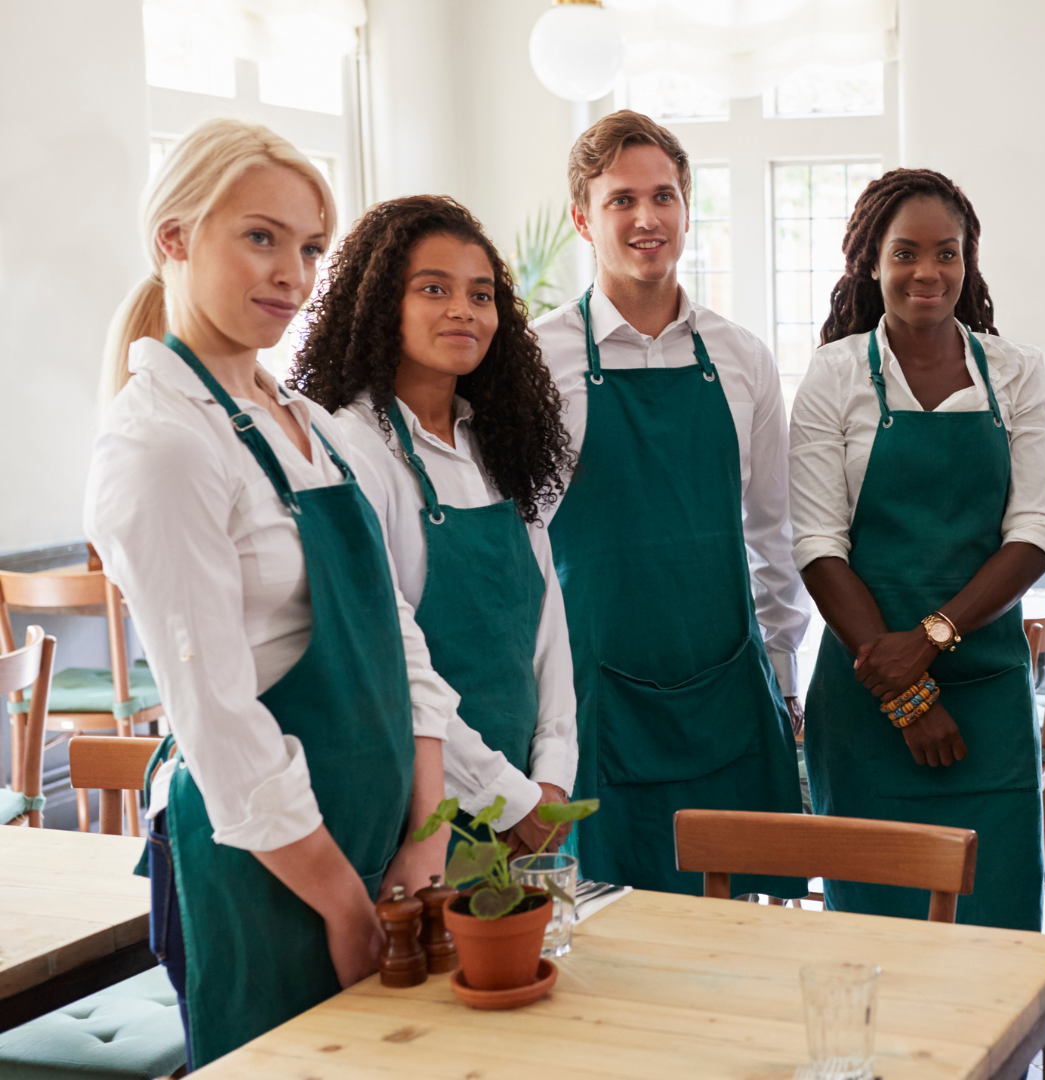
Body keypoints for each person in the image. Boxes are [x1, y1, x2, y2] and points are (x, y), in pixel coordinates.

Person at [85, 119, 457, 1068]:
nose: (292, 272)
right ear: (174, 236)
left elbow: (394, 640)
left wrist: (424, 839)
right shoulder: (162, 444)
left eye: (309, 247)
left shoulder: (305, 424)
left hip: (381, 851)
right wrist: (341, 903)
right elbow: (218, 721)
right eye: (261, 237)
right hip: (274, 870)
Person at [531, 111, 806, 895]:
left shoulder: (743, 356)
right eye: (621, 199)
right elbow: (523, 546)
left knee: (735, 933)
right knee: (608, 934)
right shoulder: (536, 359)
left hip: (725, 687)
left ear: (687, 208)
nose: (646, 219)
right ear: (584, 217)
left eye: (664, 196)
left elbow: (772, 530)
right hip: (595, 693)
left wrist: (782, 671)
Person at [789, 169, 1045, 929]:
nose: (927, 272)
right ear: (872, 262)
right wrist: (903, 690)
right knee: (874, 933)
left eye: (948, 252)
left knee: (996, 927)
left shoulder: (1016, 373)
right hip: (867, 697)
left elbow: (1035, 532)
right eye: (906, 252)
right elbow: (818, 544)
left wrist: (932, 639)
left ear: (968, 260)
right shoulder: (835, 376)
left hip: (987, 698)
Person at [290, 196, 579, 859]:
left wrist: (552, 777)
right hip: (422, 811)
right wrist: (506, 797)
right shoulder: (351, 451)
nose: (463, 310)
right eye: (433, 289)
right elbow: (392, 664)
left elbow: (549, 635)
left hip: (533, 813)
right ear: (380, 303)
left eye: (480, 295)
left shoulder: (502, 449)